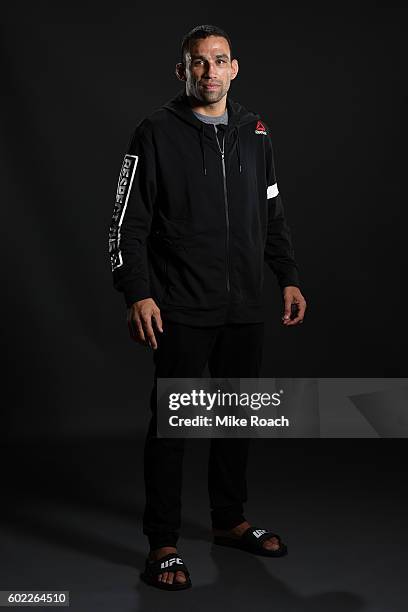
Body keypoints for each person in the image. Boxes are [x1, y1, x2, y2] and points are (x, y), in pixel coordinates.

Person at [108, 24, 307, 591]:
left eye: (219, 61)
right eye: (198, 63)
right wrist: (137, 291)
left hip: (244, 305)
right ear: (183, 71)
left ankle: (229, 520)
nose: (210, 72)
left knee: (235, 417)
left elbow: (272, 212)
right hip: (181, 307)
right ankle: (162, 542)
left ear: (235, 67)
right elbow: (126, 224)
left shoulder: (255, 131)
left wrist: (286, 276)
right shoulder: (154, 132)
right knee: (174, 425)